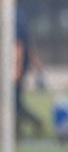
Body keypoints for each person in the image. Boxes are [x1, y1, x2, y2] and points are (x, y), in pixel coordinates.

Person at [15, 13, 45, 141]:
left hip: (15, 69)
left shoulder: (15, 18)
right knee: (14, 103)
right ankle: (17, 132)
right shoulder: (17, 17)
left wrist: (17, 68)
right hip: (13, 67)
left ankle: (35, 123)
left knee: (14, 103)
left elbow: (19, 45)